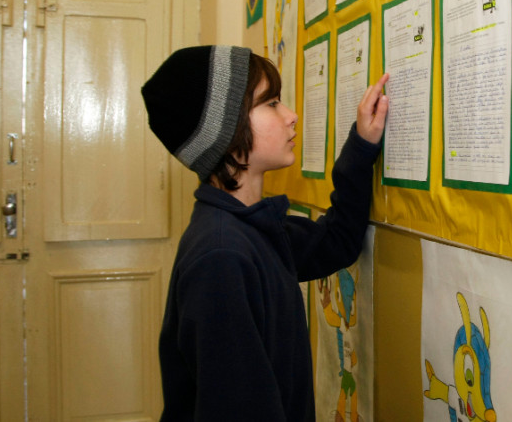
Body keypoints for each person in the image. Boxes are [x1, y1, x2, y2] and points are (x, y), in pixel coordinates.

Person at [140, 44, 389, 421]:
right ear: (227, 130)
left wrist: (362, 144)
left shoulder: (251, 228)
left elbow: (335, 242)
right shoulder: (222, 257)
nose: (291, 116)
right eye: (271, 103)